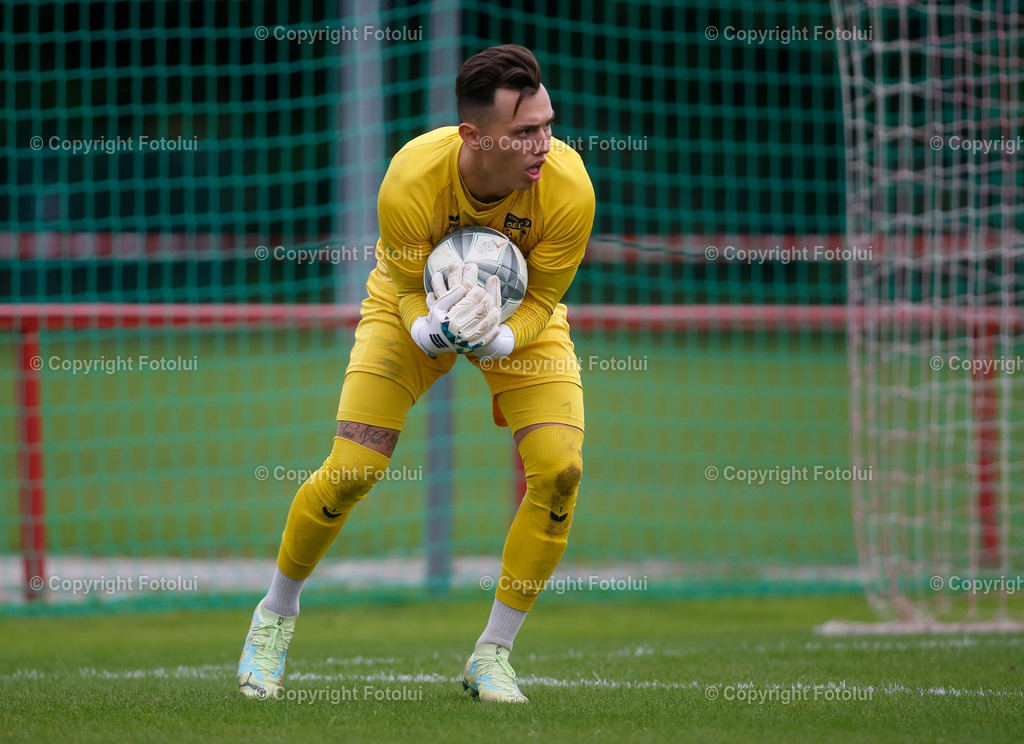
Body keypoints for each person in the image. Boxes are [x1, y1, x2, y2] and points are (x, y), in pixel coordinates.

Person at [237, 44, 594, 704]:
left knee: (560, 469)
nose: (543, 143)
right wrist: (429, 328)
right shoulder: (410, 179)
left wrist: (502, 336)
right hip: (410, 312)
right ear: (473, 136)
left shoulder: (569, 189)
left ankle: (493, 654)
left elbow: (543, 299)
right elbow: (404, 286)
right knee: (353, 469)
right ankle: (274, 617)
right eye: (524, 132)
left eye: (547, 123)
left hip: (522, 326)